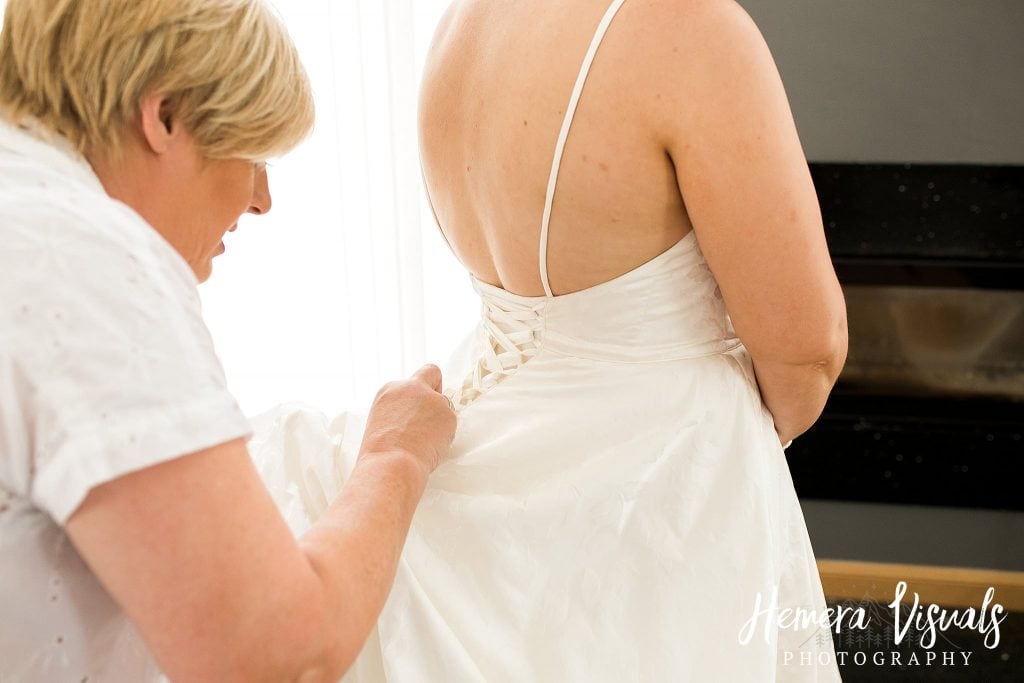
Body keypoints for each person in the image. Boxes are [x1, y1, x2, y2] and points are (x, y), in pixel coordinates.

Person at [289, 0, 845, 679]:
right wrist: (727, 454)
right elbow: (806, 351)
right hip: (662, 498)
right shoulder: (688, 30)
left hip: (482, 459)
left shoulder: (462, 26)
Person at [0, 1, 455, 681]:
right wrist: (395, 457)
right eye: (254, 152)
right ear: (165, 117)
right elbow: (277, 655)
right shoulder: (85, 259)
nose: (262, 199)